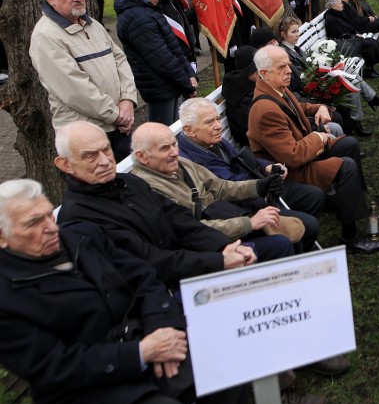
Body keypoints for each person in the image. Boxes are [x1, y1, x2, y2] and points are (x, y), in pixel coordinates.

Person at [0, 179, 250, 404]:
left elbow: (144, 279)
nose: (51, 228)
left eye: (47, 215)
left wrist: (162, 327)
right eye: (34, 223)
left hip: (145, 336)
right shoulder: (7, 295)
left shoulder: (81, 236)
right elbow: (53, 366)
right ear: (2, 236)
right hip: (87, 382)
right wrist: (141, 352)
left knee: (226, 365)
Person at [54, 122, 256, 289]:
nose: (105, 161)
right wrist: (219, 260)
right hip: (156, 294)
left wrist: (224, 246)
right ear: (65, 164)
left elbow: (179, 219)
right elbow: (145, 259)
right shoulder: (77, 216)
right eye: (90, 156)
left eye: (106, 149)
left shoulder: (129, 182)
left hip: (186, 268)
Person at [247, 46, 379, 253]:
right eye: (282, 66)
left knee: (348, 144)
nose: (289, 70)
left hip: (299, 157)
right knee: (345, 166)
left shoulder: (275, 88)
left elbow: (299, 108)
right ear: (265, 73)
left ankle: (350, 204)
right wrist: (318, 137)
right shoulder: (266, 110)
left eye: (288, 64)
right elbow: (293, 157)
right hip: (287, 172)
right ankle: (350, 237)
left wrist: (320, 107)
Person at [130, 122, 301, 258]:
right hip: (203, 248)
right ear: (141, 157)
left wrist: (258, 186)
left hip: (222, 224)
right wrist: (249, 223)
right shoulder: (146, 188)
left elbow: (219, 187)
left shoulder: (180, 164)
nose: (175, 152)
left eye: (174, 144)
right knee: (281, 242)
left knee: (294, 229)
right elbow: (190, 230)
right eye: (165, 148)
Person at [177, 97, 325, 249]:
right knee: (308, 225)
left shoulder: (211, 140)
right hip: (244, 206)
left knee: (313, 196)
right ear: (189, 130)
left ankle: (302, 244)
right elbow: (228, 187)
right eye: (209, 122)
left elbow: (241, 160)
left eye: (218, 118)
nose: (218, 126)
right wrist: (261, 188)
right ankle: (299, 249)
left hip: (259, 188)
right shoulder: (190, 161)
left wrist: (266, 166)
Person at [29, 0, 138, 161]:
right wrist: (117, 114)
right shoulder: (45, 36)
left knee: (127, 182)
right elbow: (75, 90)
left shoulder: (93, 25)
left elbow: (120, 60)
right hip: (85, 133)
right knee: (99, 187)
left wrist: (128, 100)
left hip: (118, 124)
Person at [115, 0, 197, 125]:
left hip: (171, 85)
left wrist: (189, 74)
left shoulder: (149, 9)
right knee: (165, 135)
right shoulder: (138, 17)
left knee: (176, 132)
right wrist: (187, 83)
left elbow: (173, 47)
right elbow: (162, 58)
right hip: (160, 88)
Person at [323, 0, 379, 79]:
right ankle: (368, 70)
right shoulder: (331, 18)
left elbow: (348, 26)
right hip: (342, 44)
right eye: (340, 3)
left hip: (348, 39)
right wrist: (353, 35)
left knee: (370, 41)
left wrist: (355, 33)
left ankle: (370, 67)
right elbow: (338, 34)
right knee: (368, 44)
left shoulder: (338, 13)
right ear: (333, 6)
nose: (342, 4)